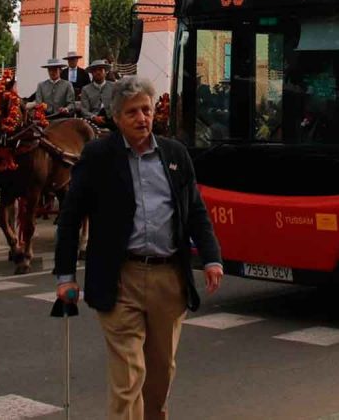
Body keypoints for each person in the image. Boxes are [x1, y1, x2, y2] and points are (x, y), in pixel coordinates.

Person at [55, 75, 222, 420]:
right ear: (117, 118)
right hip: (121, 278)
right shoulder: (99, 156)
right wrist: (66, 276)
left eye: (146, 110)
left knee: (159, 375)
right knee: (128, 376)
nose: (142, 118)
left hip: (167, 278)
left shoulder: (174, 154)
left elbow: (196, 212)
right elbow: (71, 217)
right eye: (132, 112)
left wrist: (211, 258)